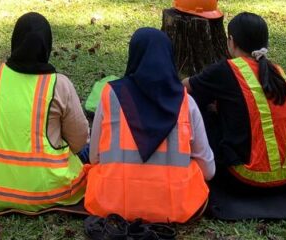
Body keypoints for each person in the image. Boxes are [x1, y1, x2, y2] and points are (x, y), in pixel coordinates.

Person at [85, 28, 213, 224]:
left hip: (111, 202)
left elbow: (94, 158)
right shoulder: (186, 102)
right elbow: (209, 171)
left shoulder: (110, 95)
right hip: (177, 207)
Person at [0, 13, 88, 211]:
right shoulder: (59, 84)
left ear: (14, 40)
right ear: (47, 45)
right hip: (50, 191)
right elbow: (79, 141)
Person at [186, 13, 286, 189]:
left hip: (244, 178)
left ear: (231, 41)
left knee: (195, 104)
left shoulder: (226, 69)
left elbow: (184, 88)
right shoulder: (277, 71)